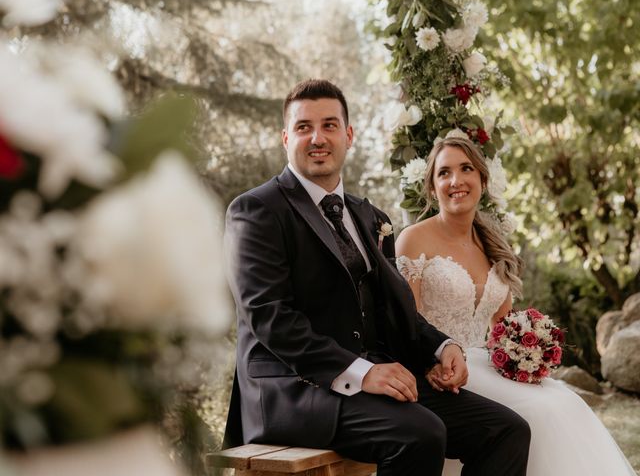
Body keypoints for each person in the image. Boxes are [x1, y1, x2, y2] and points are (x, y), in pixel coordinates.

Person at [223, 79, 531, 475]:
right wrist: (364, 373)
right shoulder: (256, 210)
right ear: (285, 137)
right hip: (295, 392)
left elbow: (394, 308)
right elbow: (270, 318)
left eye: (330, 125)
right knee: (420, 433)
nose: (318, 138)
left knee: (505, 430)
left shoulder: (370, 218)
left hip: (370, 385)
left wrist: (441, 348)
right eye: (304, 127)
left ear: (348, 136)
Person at [395, 135, 636, 476]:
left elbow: (502, 326)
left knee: (567, 403)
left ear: (482, 179)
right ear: (433, 188)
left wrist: (528, 353)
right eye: (444, 173)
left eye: (466, 169)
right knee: (542, 414)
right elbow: (406, 321)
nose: (456, 181)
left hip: (489, 365)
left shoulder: (493, 244)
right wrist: (432, 361)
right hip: (443, 369)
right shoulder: (413, 238)